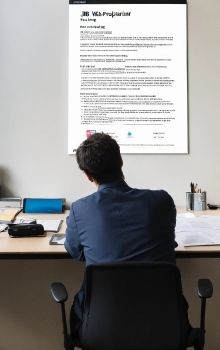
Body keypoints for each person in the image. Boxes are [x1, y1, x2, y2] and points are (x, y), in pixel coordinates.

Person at [64, 132, 178, 346]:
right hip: (164, 325)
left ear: (88, 175)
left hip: (99, 328)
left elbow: (75, 252)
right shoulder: (162, 201)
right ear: (121, 161)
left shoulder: (80, 209)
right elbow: (166, 242)